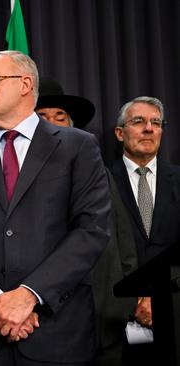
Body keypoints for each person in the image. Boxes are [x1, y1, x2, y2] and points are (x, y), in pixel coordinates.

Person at [0, 51, 110, 365]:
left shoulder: (78, 146)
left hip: (59, 333)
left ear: (24, 84)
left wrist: (29, 295)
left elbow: (92, 230)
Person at [36, 78, 138, 365]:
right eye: (43, 117)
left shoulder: (98, 172)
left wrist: (128, 300)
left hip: (104, 316)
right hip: (50, 320)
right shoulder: (17, 178)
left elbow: (122, 238)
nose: (53, 123)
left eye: (60, 117)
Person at [111, 96, 180, 363]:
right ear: (120, 133)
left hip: (174, 309)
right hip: (120, 318)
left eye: (156, 122)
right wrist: (135, 302)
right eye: (138, 121)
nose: (149, 128)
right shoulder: (101, 182)